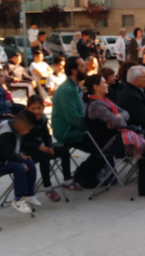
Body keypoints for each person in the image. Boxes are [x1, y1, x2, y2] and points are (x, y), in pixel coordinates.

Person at [52, 56, 103, 188]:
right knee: (103, 146)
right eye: (82, 66)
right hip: (69, 132)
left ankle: (86, 175)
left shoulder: (76, 87)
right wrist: (95, 126)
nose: (86, 67)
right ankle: (82, 175)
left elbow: (86, 110)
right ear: (74, 71)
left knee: (108, 140)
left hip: (80, 128)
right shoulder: (66, 90)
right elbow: (74, 118)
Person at [22, 95, 81, 202]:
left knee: (64, 150)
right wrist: (40, 147)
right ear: (27, 109)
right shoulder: (24, 121)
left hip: (42, 147)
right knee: (44, 156)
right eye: (33, 109)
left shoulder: (43, 119)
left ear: (43, 108)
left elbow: (46, 135)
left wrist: (49, 146)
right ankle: (47, 187)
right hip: (28, 150)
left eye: (39, 108)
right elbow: (22, 142)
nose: (36, 111)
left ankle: (67, 180)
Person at [0, 110, 40, 214]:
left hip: (6, 156)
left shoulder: (14, 125)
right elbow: (8, 153)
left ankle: (29, 194)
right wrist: (21, 162)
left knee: (29, 162)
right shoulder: (7, 134)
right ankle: (18, 199)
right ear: (22, 127)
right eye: (28, 130)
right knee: (20, 167)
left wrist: (21, 155)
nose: (28, 132)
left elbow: (12, 149)